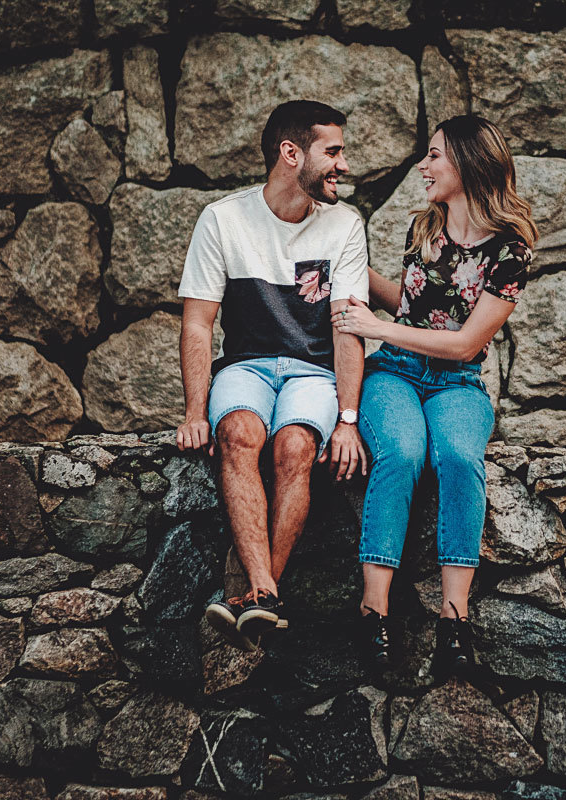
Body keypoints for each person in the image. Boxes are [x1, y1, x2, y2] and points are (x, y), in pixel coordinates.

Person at [331, 115, 537, 678]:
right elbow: (410, 303)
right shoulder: (425, 226)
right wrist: (351, 270)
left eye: (434, 155)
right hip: (395, 374)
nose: (423, 166)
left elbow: (466, 341)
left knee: (458, 458)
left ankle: (454, 621)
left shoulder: (511, 251)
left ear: (468, 163)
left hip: (458, 381)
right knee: (401, 453)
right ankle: (373, 612)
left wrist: (378, 329)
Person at [177, 100, 369, 651]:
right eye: (332, 152)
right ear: (291, 154)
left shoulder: (345, 224)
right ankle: (266, 593)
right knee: (238, 434)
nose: (343, 165)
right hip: (246, 365)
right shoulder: (223, 219)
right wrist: (195, 413)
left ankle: (254, 595)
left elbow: (347, 329)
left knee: (295, 447)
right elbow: (197, 323)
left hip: (313, 371)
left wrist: (348, 420)